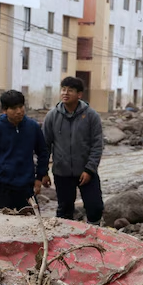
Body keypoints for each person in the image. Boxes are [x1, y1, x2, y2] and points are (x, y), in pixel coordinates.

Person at [42, 76, 105, 225]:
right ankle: (65, 242)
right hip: (62, 172)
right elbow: (44, 145)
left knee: (95, 207)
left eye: (70, 90)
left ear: (79, 94)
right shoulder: (52, 116)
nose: (65, 93)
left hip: (86, 172)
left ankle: (94, 237)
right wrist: (43, 172)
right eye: (63, 89)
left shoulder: (91, 116)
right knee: (64, 210)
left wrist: (89, 170)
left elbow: (97, 145)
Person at [0, 90, 49, 211]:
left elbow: (43, 153)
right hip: (2, 188)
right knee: (3, 225)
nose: (19, 111)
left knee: (31, 224)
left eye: (21, 107)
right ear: (5, 110)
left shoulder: (33, 127)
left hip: (27, 187)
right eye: (14, 108)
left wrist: (39, 177)